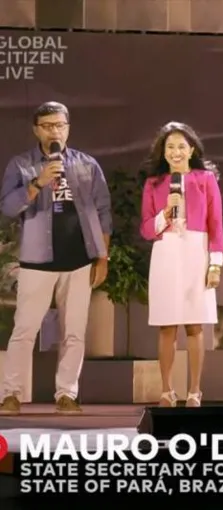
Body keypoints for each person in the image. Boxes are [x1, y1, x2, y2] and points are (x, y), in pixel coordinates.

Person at [0, 101, 112, 415]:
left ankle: (67, 394)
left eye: (60, 125)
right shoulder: (21, 164)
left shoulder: (86, 164)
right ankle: (11, 394)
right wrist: (38, 183)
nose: (55, 131)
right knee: (24, 330)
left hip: (79, 260)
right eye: (48, 125)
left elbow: (103, 212)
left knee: (74, 332)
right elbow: (8, 207)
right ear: (36, 129)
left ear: (68, 128)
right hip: (37, 261)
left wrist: (102, 257)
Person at [139, 122, 223, 408]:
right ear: (163, 153)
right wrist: (165, 213)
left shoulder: (205, 179)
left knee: (194, 325)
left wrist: (215, 264)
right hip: (166, 252)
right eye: (170, 147)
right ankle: (166, 390)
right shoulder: (154, 183)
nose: (175, 152)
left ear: (192, 150)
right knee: (166, 325)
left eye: (181, 146)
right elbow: (147, 229)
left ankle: (195, 391)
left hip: (195, 251)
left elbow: (216, 224)